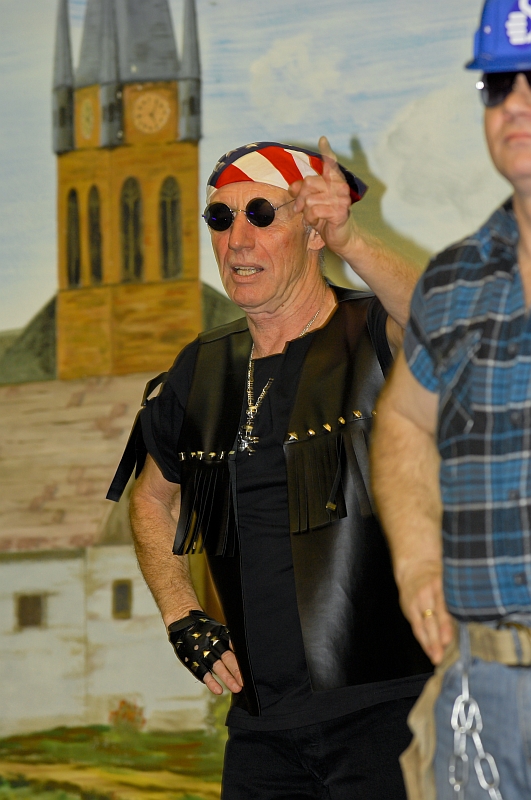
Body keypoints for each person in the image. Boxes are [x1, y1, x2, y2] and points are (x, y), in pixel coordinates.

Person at [107, 138, 432, 799]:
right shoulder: (199, 369)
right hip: (261, 733)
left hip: (392, 713)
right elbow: (150, 499)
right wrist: (181, 612)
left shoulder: (377, 332)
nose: (237, 240)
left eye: (261, 214)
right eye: (220, 218)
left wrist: (351, 240)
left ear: (311, 232)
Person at [371, 2, 531, 798]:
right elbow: (403, 421)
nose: (515, 103)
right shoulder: (454, 280)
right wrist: (415, 561)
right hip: (481, 690)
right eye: (499, 84)